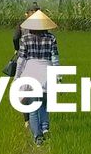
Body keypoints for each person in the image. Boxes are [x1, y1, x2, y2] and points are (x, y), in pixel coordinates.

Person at [15, 9, 60, 145]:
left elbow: (21, 60)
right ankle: (45, 128)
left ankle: (37, 137)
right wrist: (58, 76)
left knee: (33, 107)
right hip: (47, 71)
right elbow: (55, 58)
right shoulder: (51, 38)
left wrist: (17, 77)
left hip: (31, 71)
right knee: (45, 103)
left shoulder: (25, 38)